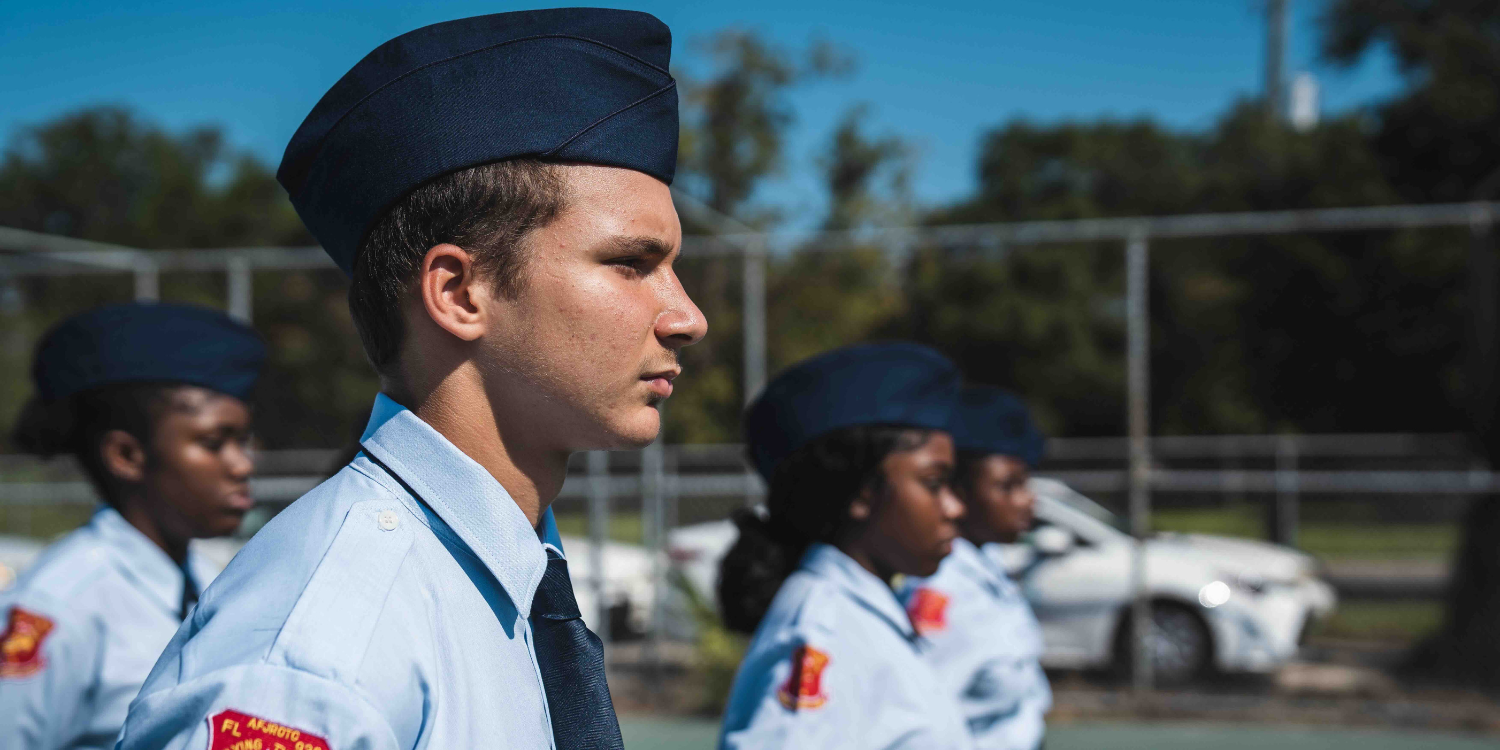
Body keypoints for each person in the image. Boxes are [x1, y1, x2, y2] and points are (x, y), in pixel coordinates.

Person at [117, 8, 704, 750]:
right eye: (630, 264)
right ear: (460, 293)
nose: (687, 316)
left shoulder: (505, 582)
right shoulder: (321, 651)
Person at [0, 302, 264, 750]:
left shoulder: (212, 580)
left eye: (242, 441)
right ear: (126, 455)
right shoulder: (61, 606)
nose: (242, 465)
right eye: (214, 442)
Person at [717, 342, 975, 750]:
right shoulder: (822, 627)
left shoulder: (861, 611)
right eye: (933, 483)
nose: (955, 507)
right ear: (862, 495)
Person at [900, 385, 1051, 750]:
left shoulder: (988, 566)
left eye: (1025, 483)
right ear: (960, 493)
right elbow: (922, 716)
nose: (1027, 499)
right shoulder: (942, 587)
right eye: (1007, 486)